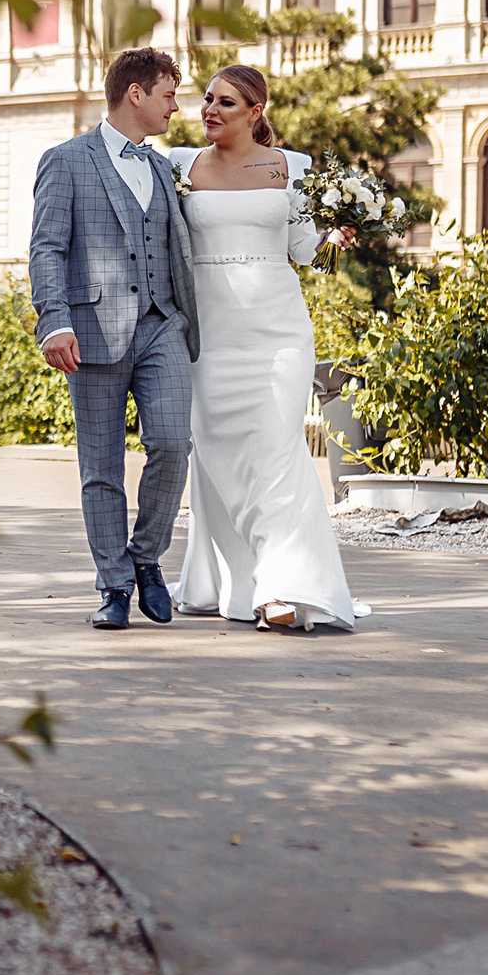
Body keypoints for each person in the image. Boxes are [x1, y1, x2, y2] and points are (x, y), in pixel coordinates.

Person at [161, 64, 359, 630]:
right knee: (217, 456)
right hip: (208, 334)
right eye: (206, 99)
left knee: (277, 450)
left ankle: (281, 586)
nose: (210, 110)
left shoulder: (291, 167)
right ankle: (225, 580)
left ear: (255, 112)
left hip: (277, 332)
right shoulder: (179, 165)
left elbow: (300, 249)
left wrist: (332, 237)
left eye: (226, 102)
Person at [28, 47, 200, 630]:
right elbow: (47, 248)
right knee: (100, 468)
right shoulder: (65, 161)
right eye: (169, 95)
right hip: (93, 331)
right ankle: (114, 585)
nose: (177, 106)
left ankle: (146, 558)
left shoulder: (162, 168)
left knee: (174, 443)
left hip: (162, 325)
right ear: (136, 93)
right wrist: (53, 320)